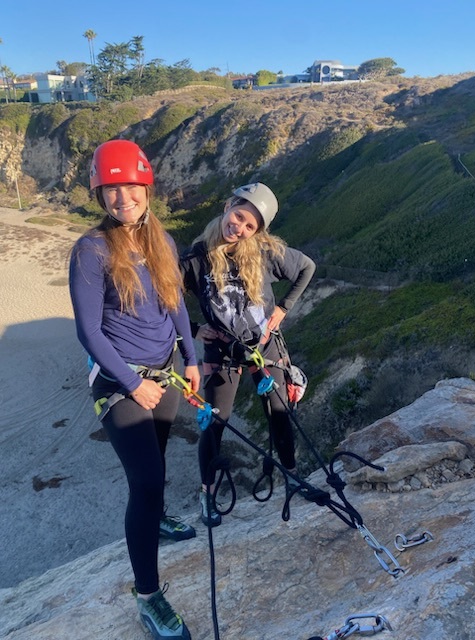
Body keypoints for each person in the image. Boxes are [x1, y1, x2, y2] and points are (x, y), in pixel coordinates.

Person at [69, 139, 200, 640]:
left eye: (130, 187)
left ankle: (159, 517)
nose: (122, 198)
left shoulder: (162, 242)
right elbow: (89, 331)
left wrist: (191, 360)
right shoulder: (91, 250)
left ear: (146, 187)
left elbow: (175, 306)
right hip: (118, 380)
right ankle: (148, 597)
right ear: (99, 194)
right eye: (111, 190)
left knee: (158, 464)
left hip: (165, 371)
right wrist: (131, 384)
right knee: (145, 480)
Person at [180, 182, 316, 527]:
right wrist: (195, 330)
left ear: (257, 232)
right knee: (215, 423)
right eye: (238, 216)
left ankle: (292, 476)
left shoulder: (265, 252)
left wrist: (284, 309)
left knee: (280, 414)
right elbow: (166, 301)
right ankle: (207, 495)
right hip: (222, 352)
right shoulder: (195, 258)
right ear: (228, 206)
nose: (238, 228)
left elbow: (306, 267)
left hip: (264, 347)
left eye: (249, 226)